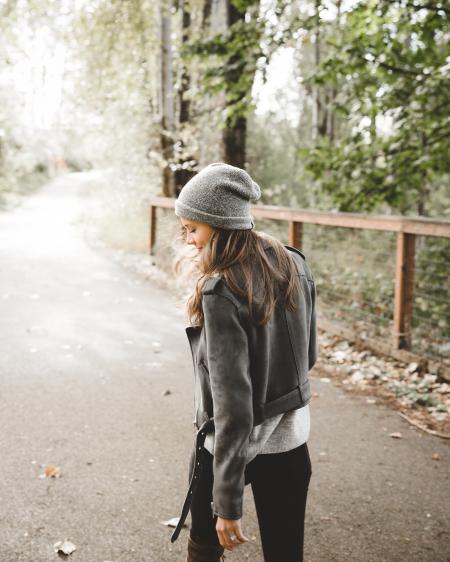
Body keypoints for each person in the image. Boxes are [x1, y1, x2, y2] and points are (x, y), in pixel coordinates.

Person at [170, 162, 318, 562]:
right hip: (290, 445)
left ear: (219, 225)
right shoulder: (294, 263)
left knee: (204, 551)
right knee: (286, 554)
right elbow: (309, 356)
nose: (189, 240)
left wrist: (228, 500)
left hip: (224, 449)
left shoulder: (221, 291)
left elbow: (233, 408)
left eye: (194, 229)